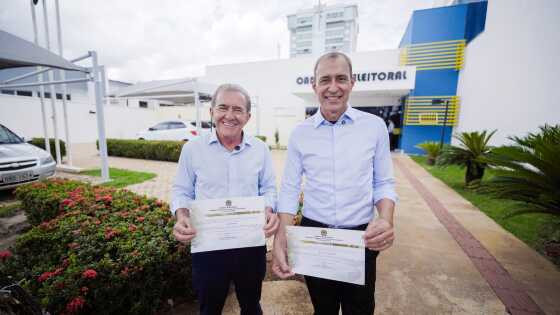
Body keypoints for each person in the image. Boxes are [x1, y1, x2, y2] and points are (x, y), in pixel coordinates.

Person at [272, 52, 397, 315]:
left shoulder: (374, 127)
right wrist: (280, 237)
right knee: (323, 308)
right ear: (314, 85)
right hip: (314, 234)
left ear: (352, 82)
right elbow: (290, 189)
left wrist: (386, 219)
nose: (333, 87)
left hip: (361, 236)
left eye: (341, 78)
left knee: (360, 309)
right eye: (325, 79)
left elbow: (383, 182)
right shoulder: (300, 133)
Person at [171, 83, 279, 315]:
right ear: (211, 112)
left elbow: (269, 188)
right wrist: (182, 216)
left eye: (238, 110)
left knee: (251, 305)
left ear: (248, 117)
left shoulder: (260, 149)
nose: (229, 116)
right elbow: (181, 191)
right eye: (223, 108)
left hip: (250, 246)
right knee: (209, 308)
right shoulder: (192, 150)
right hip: (208, 247)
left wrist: (269, 210)